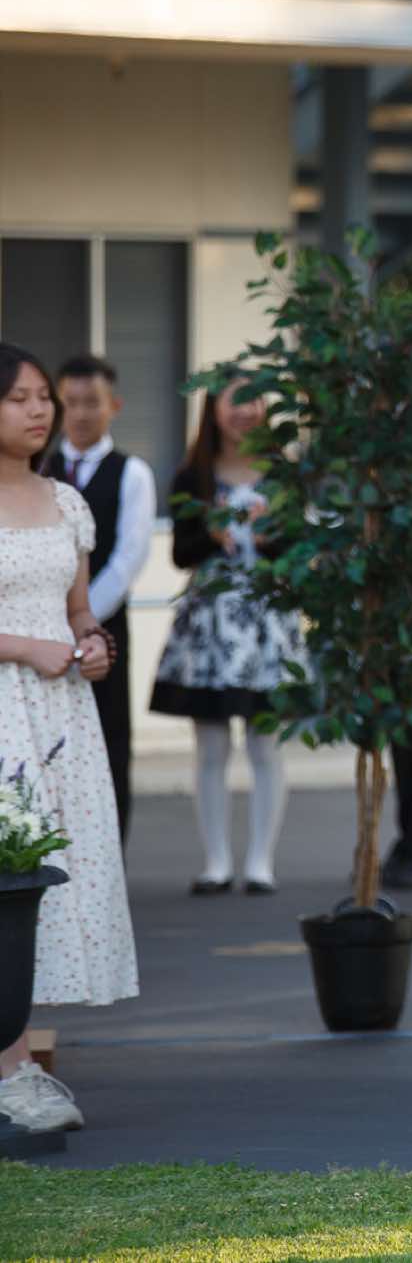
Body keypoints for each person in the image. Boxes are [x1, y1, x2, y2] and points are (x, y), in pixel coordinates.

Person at [0, 343, 137, 1134]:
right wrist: (25, 647)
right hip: (5, 706)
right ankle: (14, 1071)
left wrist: (92, 644)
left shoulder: (65, 501)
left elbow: (79, 609)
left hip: (57, 718)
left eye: (42, 396)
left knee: (36, 883)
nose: (38, 410)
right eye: (18, 397)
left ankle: (15, 1065)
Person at [149, 383, 304, 895]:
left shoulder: (284, 476)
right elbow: (180, 553)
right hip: (210, 624)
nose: (245, 411)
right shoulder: (192, 476)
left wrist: (268, 537)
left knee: (265, 744)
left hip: (266, 622)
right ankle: (216, 861)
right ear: (213, 408)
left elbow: (300, 552)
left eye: (254, 399)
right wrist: (213, 536)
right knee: (211, 746)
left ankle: (261, 861)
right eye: (234, 400)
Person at [45, 356, 156, 849]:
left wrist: (81, 619)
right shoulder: (39, 469)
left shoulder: (132, 472)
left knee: (108, 741)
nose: (80, 414)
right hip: (39, 632)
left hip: (102, 629)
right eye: (69, 403)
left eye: (91, 402)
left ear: (114, 406)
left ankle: (109, 855)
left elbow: (129, 558)